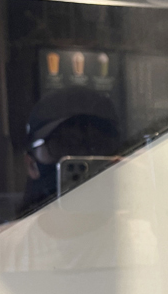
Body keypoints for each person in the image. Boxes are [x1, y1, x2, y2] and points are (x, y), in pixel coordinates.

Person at [21, 86, 121, 215]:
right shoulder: (12, 230)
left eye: (97, 144)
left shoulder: (142, 223)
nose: (82, 154)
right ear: (31, 164)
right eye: (63, 144)